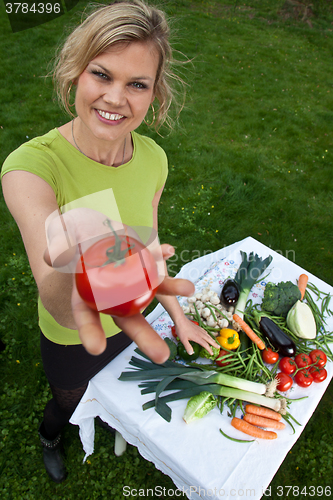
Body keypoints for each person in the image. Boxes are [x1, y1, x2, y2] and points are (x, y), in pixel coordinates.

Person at [1, 0, 219, 484]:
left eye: (136, 84)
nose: (116, 97)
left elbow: (151, 239)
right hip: (72, 334)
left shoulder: (154, 158)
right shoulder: (31, 169)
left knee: (116, 388)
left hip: (133, 316)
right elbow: (61, 308)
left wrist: (177, 317)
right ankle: (50, 436)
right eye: (102, 74)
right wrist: (73, 247)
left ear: (154, 95)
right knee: (70, 397)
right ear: (75, 74)